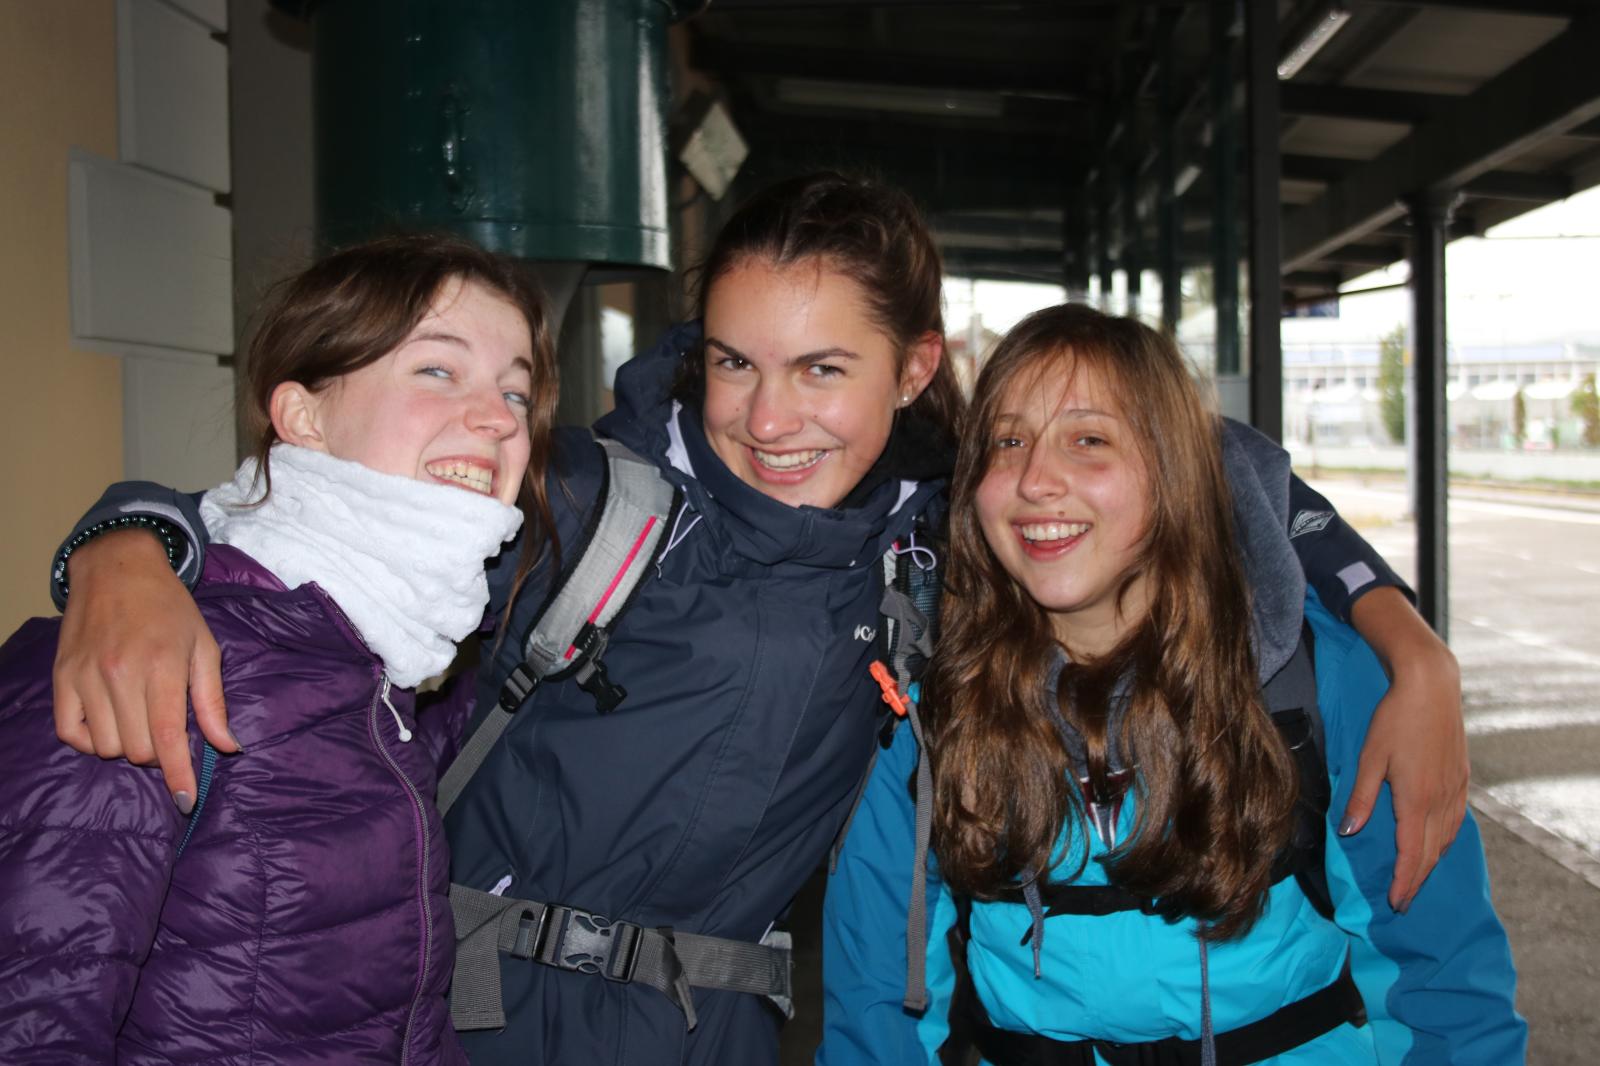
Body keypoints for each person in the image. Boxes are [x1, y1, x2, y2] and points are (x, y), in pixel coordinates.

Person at [47, 174, 1466, 1065]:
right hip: (465, 1015)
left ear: (915, 368)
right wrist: (127, 544)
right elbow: (310, 504)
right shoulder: (582, 496)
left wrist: (1404, 640)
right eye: (735, 362)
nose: (770, 417)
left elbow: (1229, 476)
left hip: (704, 1031)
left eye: (822, 369)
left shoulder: (946, 537)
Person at [820, 304, 1524, 1065]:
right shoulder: (927, 703)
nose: (1035, 480)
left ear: (1174, 473)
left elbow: (1444, 986)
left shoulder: (1316, 680)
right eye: (1008, 441)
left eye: (1089, 440)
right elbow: (877, 1001)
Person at [0, 234, 558, 1063]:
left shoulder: (397, 664)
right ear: (303, 417)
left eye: (515, 390)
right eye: (438, 369)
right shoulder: (142, 655)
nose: (499, 417)